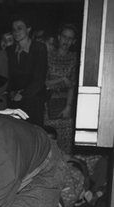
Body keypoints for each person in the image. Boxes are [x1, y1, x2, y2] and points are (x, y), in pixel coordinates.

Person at [7, 16, 47, 126]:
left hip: (33, 99)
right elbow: (10, 77)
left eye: (19, 28)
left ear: (28, 29)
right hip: (14, 100)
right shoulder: (9, 50)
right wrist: (11, 92)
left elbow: (39, 78)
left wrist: (23, 94)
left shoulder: (39, 48)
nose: (16, 32)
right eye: (14, 29)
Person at [45, 24, 78, 154]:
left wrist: (68, 107)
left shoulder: (75, 58)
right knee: (49, 143)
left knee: (65, 144)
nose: (66, 41)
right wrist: (62, 80)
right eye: (64, 37)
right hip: (47, 104)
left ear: (74, 41)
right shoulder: (48, 56)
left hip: (65, 104)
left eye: (70, 38)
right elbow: (44, 82)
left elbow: (73, 85)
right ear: (59, 37)